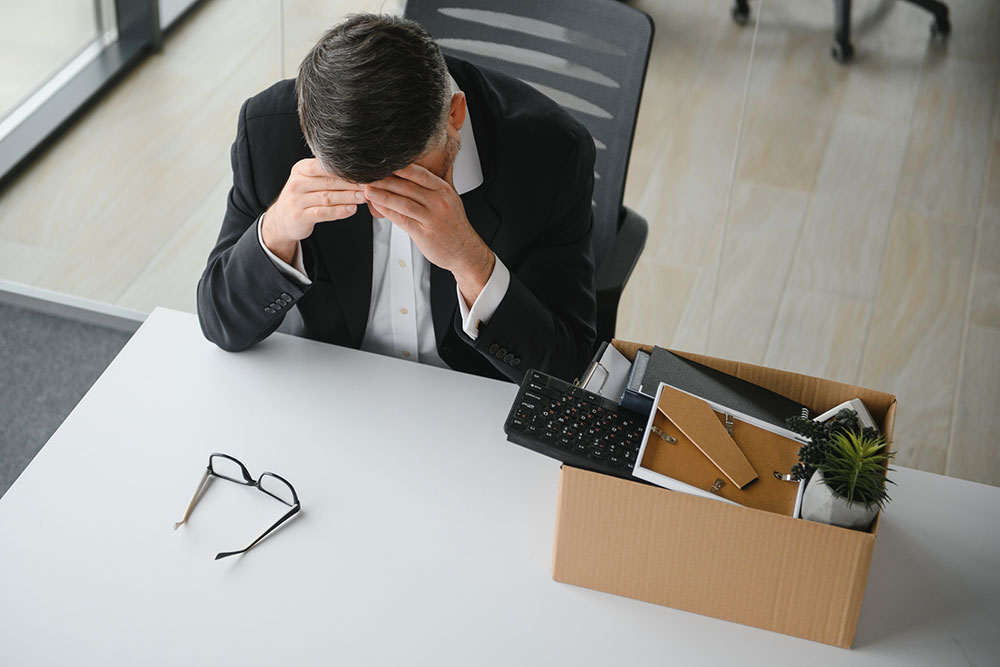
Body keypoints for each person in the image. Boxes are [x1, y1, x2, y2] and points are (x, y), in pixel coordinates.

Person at [197, 13, 597, 383]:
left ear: (454, 116)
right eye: (359, 182)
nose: (381, 207)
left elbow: (568, 368)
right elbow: (222, 325)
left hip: (472, 406)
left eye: (408, 178)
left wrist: (470, 260)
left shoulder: (553, 152)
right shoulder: (270, 131)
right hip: (331, 392)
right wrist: (278, 230)